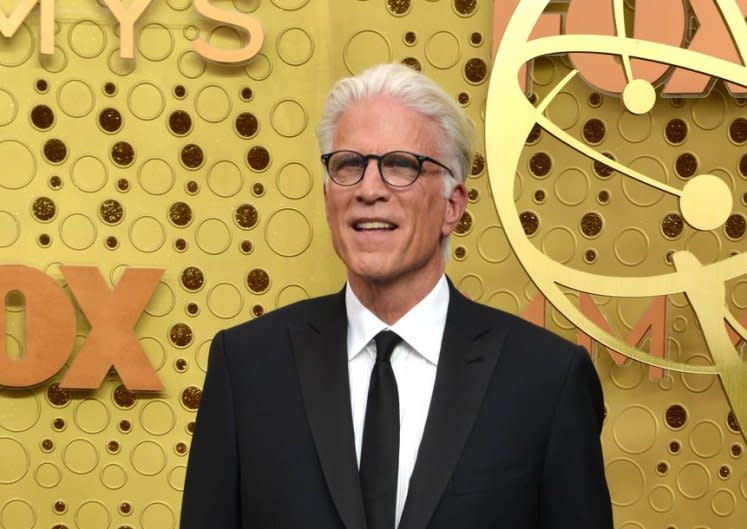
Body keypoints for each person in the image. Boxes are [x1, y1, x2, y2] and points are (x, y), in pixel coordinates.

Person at [180, 63, 613, 529]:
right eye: (349, 164)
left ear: (453, 206)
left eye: (400, 166)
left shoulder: (547, 379)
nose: (369, 190)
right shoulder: (246, 366)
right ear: (327, 197)